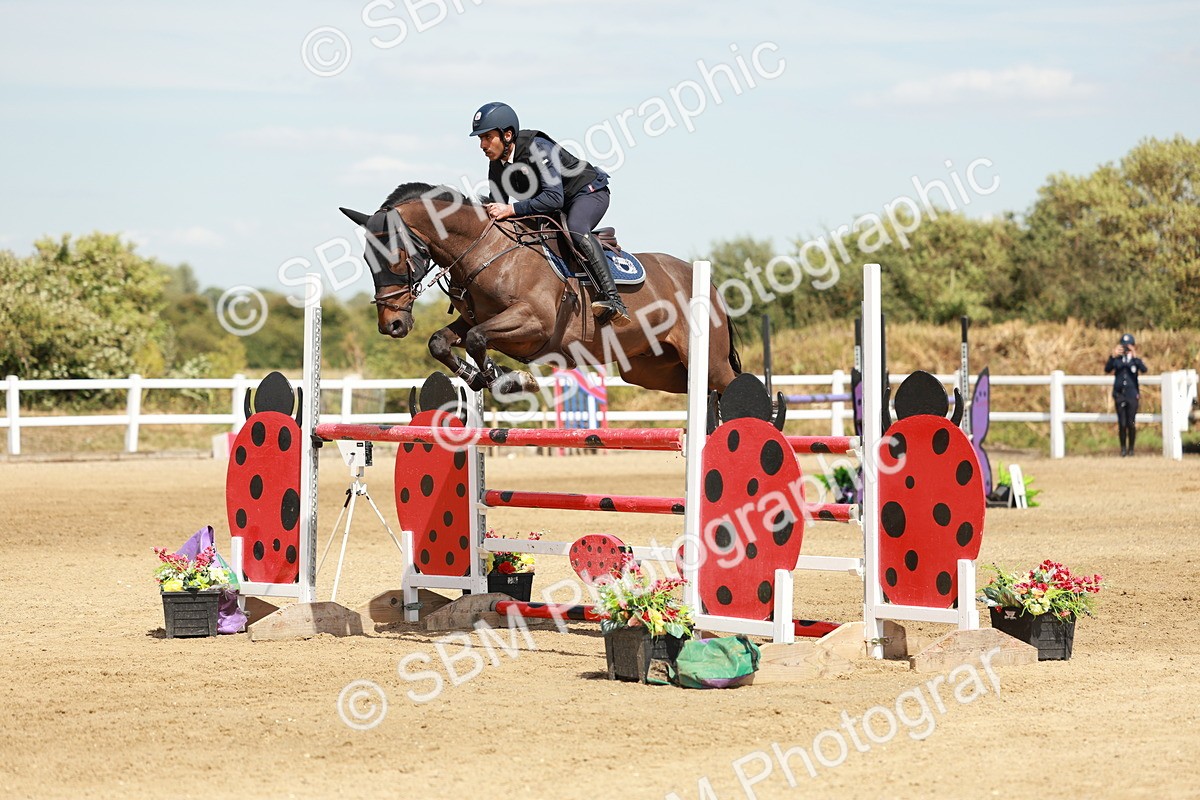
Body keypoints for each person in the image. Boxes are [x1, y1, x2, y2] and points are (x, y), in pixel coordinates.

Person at [468, 101, 630, 326]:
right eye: (480, 139)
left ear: (507, 135)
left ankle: (613, 299)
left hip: (588, 192)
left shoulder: (537, 149)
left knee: (576, 226)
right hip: (556, 204)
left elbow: (553, 198)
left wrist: (511, 209)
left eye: (487, 137)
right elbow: (498, 210)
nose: (482, 145)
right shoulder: (497, 164)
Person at [1104, 333, 1148, 456]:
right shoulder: (1116, 360)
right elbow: (1107, 369)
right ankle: (1123, 449)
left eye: (1128, 346)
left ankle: (1131, 449)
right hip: (1119, 394)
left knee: (1131, 423)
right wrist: (1113, 356)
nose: (1126, 348)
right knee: (1122, 423)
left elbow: (1144, 369)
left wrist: (1134, 356)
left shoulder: (1135, 360)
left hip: (1132, 394)